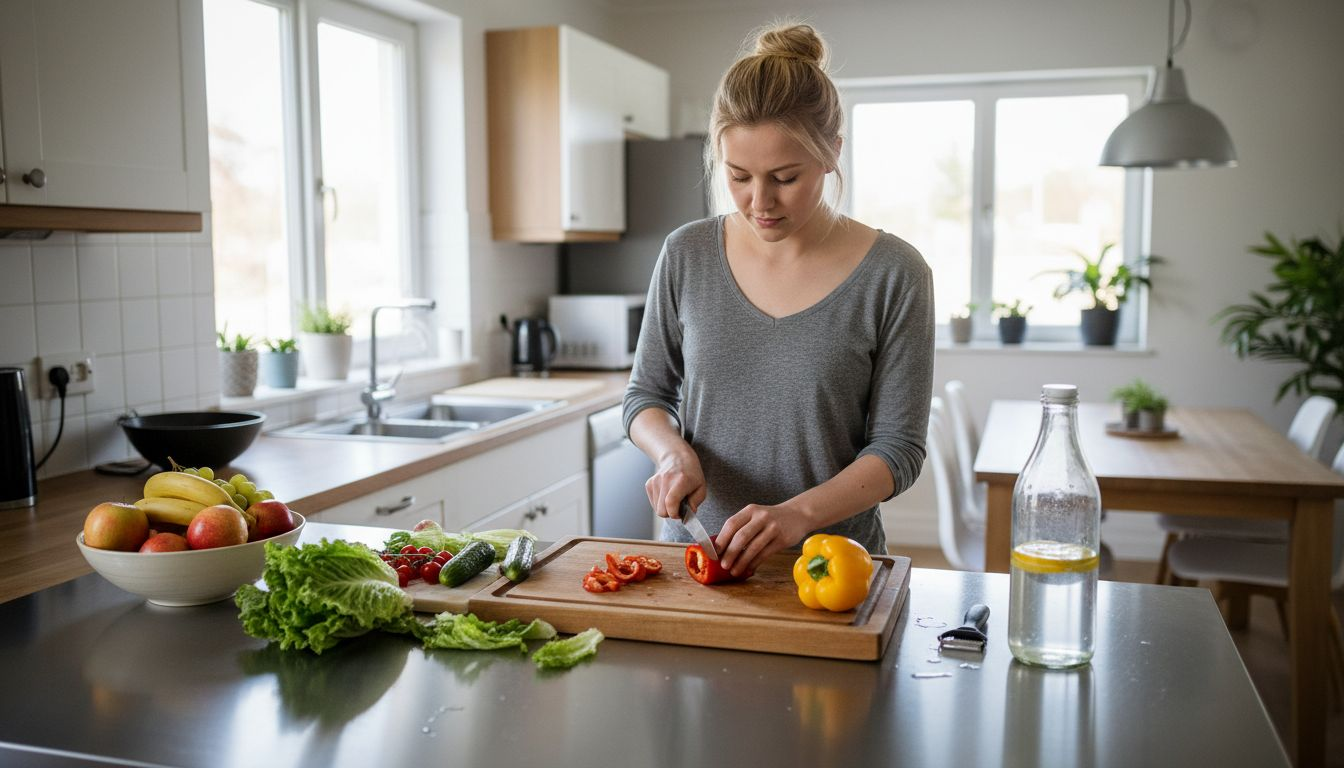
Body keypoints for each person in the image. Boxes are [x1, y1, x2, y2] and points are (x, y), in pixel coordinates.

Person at [622, 21, 934, 579]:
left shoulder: (895, 273)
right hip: (695, 557)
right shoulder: (686, 254)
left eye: (785, 177)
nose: (759, 202)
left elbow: (898, 449)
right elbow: (646, 395)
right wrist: (672, 453)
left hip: (832, 566)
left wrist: (798, 516)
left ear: (832, 154)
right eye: (738, 176)